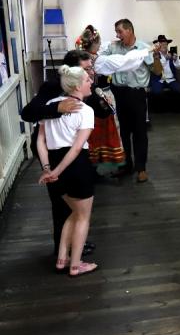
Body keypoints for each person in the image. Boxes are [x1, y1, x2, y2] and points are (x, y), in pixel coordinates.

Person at [36, 65, 99, 277]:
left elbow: (41, 141)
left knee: (74, 213)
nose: (91, 82)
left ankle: (62, 260)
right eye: (88, 80)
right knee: (83, 217)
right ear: (78, 86)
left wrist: (49, 169)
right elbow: (77, 148)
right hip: (76, 166)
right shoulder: (86, 111)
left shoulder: (51, 105)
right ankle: (76, 265)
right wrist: (57, 171)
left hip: (54, 162)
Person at [102, 18, 161, 183]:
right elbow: (99, 60)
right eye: (116, 32)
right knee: (123, 132)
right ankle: (126, 165)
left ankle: (141, 168)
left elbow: (157, 72)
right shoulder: (113, 48)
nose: (117, 35)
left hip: (136, 94)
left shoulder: (144, 48)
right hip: (118, 93)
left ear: (129, 30)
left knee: (139, 132)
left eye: (119, 31)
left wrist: (156, 57)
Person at [149, 34, 180, 111]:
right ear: (158, 46)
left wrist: (176, 59)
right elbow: (156, 68)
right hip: (158, 79)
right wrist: (165, 58)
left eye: (165, 44)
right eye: (161, 44)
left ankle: (175, 108)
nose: (164, 46)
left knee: (179, 90)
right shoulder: (154, 54)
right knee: (157, 92)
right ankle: (159, 109)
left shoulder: (172, 53)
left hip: (171, 79)